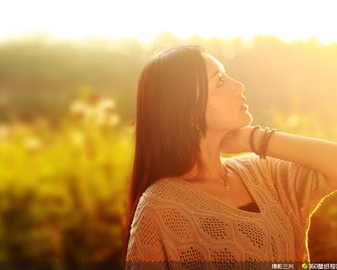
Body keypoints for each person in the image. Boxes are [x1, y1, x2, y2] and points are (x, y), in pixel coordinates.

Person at [123, 45, 337, 269]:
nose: (239, 86)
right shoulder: (162, 206)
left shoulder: (263, 172)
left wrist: (255, 139)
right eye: (221, 82)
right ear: (188, 112)